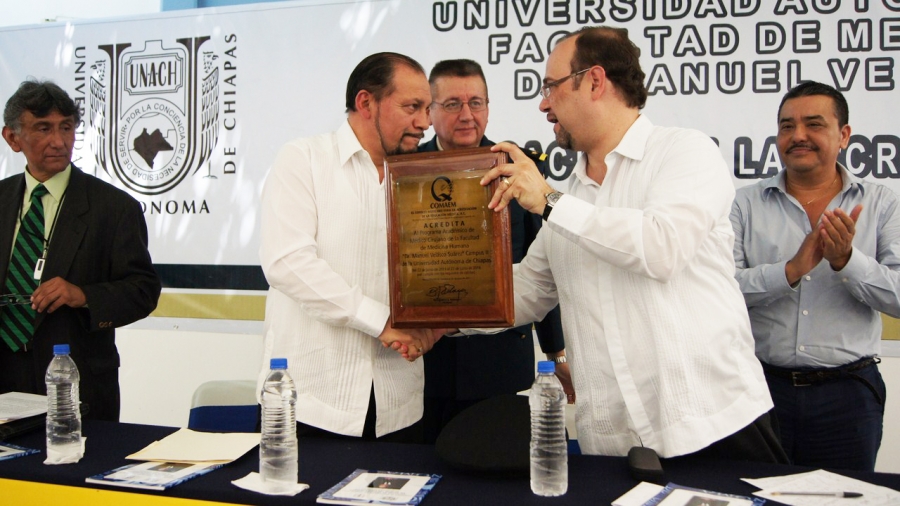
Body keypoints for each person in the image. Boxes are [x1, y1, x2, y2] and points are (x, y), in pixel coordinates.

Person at [471, 27, 785, 461]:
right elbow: (524, 291)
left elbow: (660, 248)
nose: (543, 104)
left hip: (713, 432)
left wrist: (548, 200)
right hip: (613, 449)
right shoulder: (571, 196)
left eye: (551, 87)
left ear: (595, 81)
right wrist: (428, 314)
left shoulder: (685, 153)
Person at [258, 53, 442, 442]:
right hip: (312, 403)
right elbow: (287, 263)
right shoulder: (303, 159)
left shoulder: (428, 178)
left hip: (399, 404)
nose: (425, 122)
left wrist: (439, 321)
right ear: (365, 102)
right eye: (412, 107)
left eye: (427, 108)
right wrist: (381, 321)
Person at [730, 81, 899, 471]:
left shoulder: (882, 204)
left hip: (849, 397)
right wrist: (790, 271)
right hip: (759, 390)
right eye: (787, 126)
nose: (798, 136)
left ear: (843, 136)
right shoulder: (744, 204)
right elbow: (720, 290)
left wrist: (847, 263)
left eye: (813, 124)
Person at [417, 59, 567, 443]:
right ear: (429, 111)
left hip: (500, 362)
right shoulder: (404, 172)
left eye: (477, 103)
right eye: (452, 104)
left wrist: (556, 352)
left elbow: (542, 262)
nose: (467, 115)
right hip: (423, 365)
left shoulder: (519, 167)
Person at [0, 80, 161, 422]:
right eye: (43, 129)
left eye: (66, 128)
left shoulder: (113, 207)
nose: (59, 141)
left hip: (76, 385)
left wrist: (82, 295)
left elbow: (143, 291)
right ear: (13, 138)